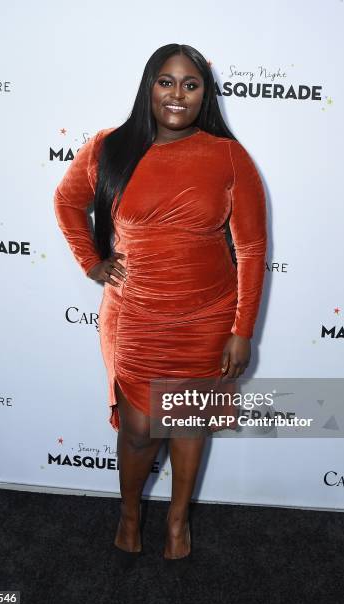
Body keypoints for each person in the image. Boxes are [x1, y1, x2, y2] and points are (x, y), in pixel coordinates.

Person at [53, 43, 267, 560]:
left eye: (190, 85)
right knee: (140, 429)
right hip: (135, 315)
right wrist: (92, 262)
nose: (177, 94)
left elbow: (253, 248)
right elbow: (66, 201)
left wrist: (242, 330)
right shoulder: (110, 146)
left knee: (189, 423)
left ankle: (177, 522)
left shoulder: (228, 156)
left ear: (204, 94)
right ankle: (130, 514)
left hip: (208, 315)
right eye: (166, 82)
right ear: (149, 86)